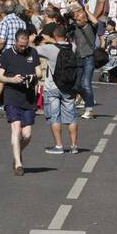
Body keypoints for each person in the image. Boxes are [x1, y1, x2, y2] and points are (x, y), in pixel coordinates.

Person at [0, 29, 42, 176]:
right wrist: (12, 79)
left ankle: (17, 152)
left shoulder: (32, 53)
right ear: (15, 42)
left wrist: (32, 77)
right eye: (21, 45)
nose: (23, 48)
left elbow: (39, 72)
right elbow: (0, 77)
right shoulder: (7, 54)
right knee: (16, 129)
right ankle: (18, 164)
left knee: (27, 135)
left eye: (25, 45)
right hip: (12, 96)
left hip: (28, 97)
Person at [37, 24, 80, 154]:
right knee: (71, 117)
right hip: (68, 86)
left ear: (54, 36)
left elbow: (34, 49)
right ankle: (74, 146)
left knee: (54, 116)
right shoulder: (72, 47)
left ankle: (59, 146)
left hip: (53, 86)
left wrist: (45, 40)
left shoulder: (49, 48)